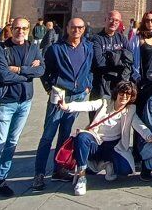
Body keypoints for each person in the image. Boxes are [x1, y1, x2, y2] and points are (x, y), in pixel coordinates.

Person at [0, 17, 44, 206]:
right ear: (11, 29)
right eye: (17, 28)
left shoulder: (34, 48)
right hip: (6, 102)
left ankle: (2, 181)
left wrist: (19, 70)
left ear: (29, 30)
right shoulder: (1, 48)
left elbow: (41, 70)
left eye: (24, 28)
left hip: (25, 101)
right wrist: (28, 74)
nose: (20, 31)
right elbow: (3, 75)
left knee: (12, 142)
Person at [31, 17, 95, 191]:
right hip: (60, 96)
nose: (76, 30)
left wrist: (88, 84)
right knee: (48, 135)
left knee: (65, 134)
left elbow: (90, 69)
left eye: (80, 27)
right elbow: (44, 70)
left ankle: (59, 169)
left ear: (84, 29)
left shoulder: (88, 47)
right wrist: (48, 88)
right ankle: (39, 173)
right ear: (67, 28)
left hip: (78, 96)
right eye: (73, 27)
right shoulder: (56, 49)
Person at [59, 81, 150, 194]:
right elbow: (88, 105)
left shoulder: (130, 110)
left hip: (114, 146)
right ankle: (82, 177)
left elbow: (139, 125)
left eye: (128, 94)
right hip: (96, 141)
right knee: (82, 137)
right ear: (116, 93)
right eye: (122, 93)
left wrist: (150, 136)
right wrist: (67, 106)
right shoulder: (105, 101)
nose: (124, 96)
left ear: (131, 97)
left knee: (125, 169)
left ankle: (108, 165)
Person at [90, 10, 132, 100]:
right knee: (98, 113)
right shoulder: (96, 39)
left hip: (118, 83)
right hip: (101, 85)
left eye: (117, 20)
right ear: (105, 20)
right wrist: (119, 58)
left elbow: (130, 58)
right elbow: (99, 62)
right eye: (111, 19)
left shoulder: (122, 38)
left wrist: (109, 55)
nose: (113, 23)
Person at [131, 12, 152, 106]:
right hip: (143, 79)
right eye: (147, 20)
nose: (150, 23)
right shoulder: (137, 38)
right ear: (143, 22)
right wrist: (136, 77)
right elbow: (132, 58)